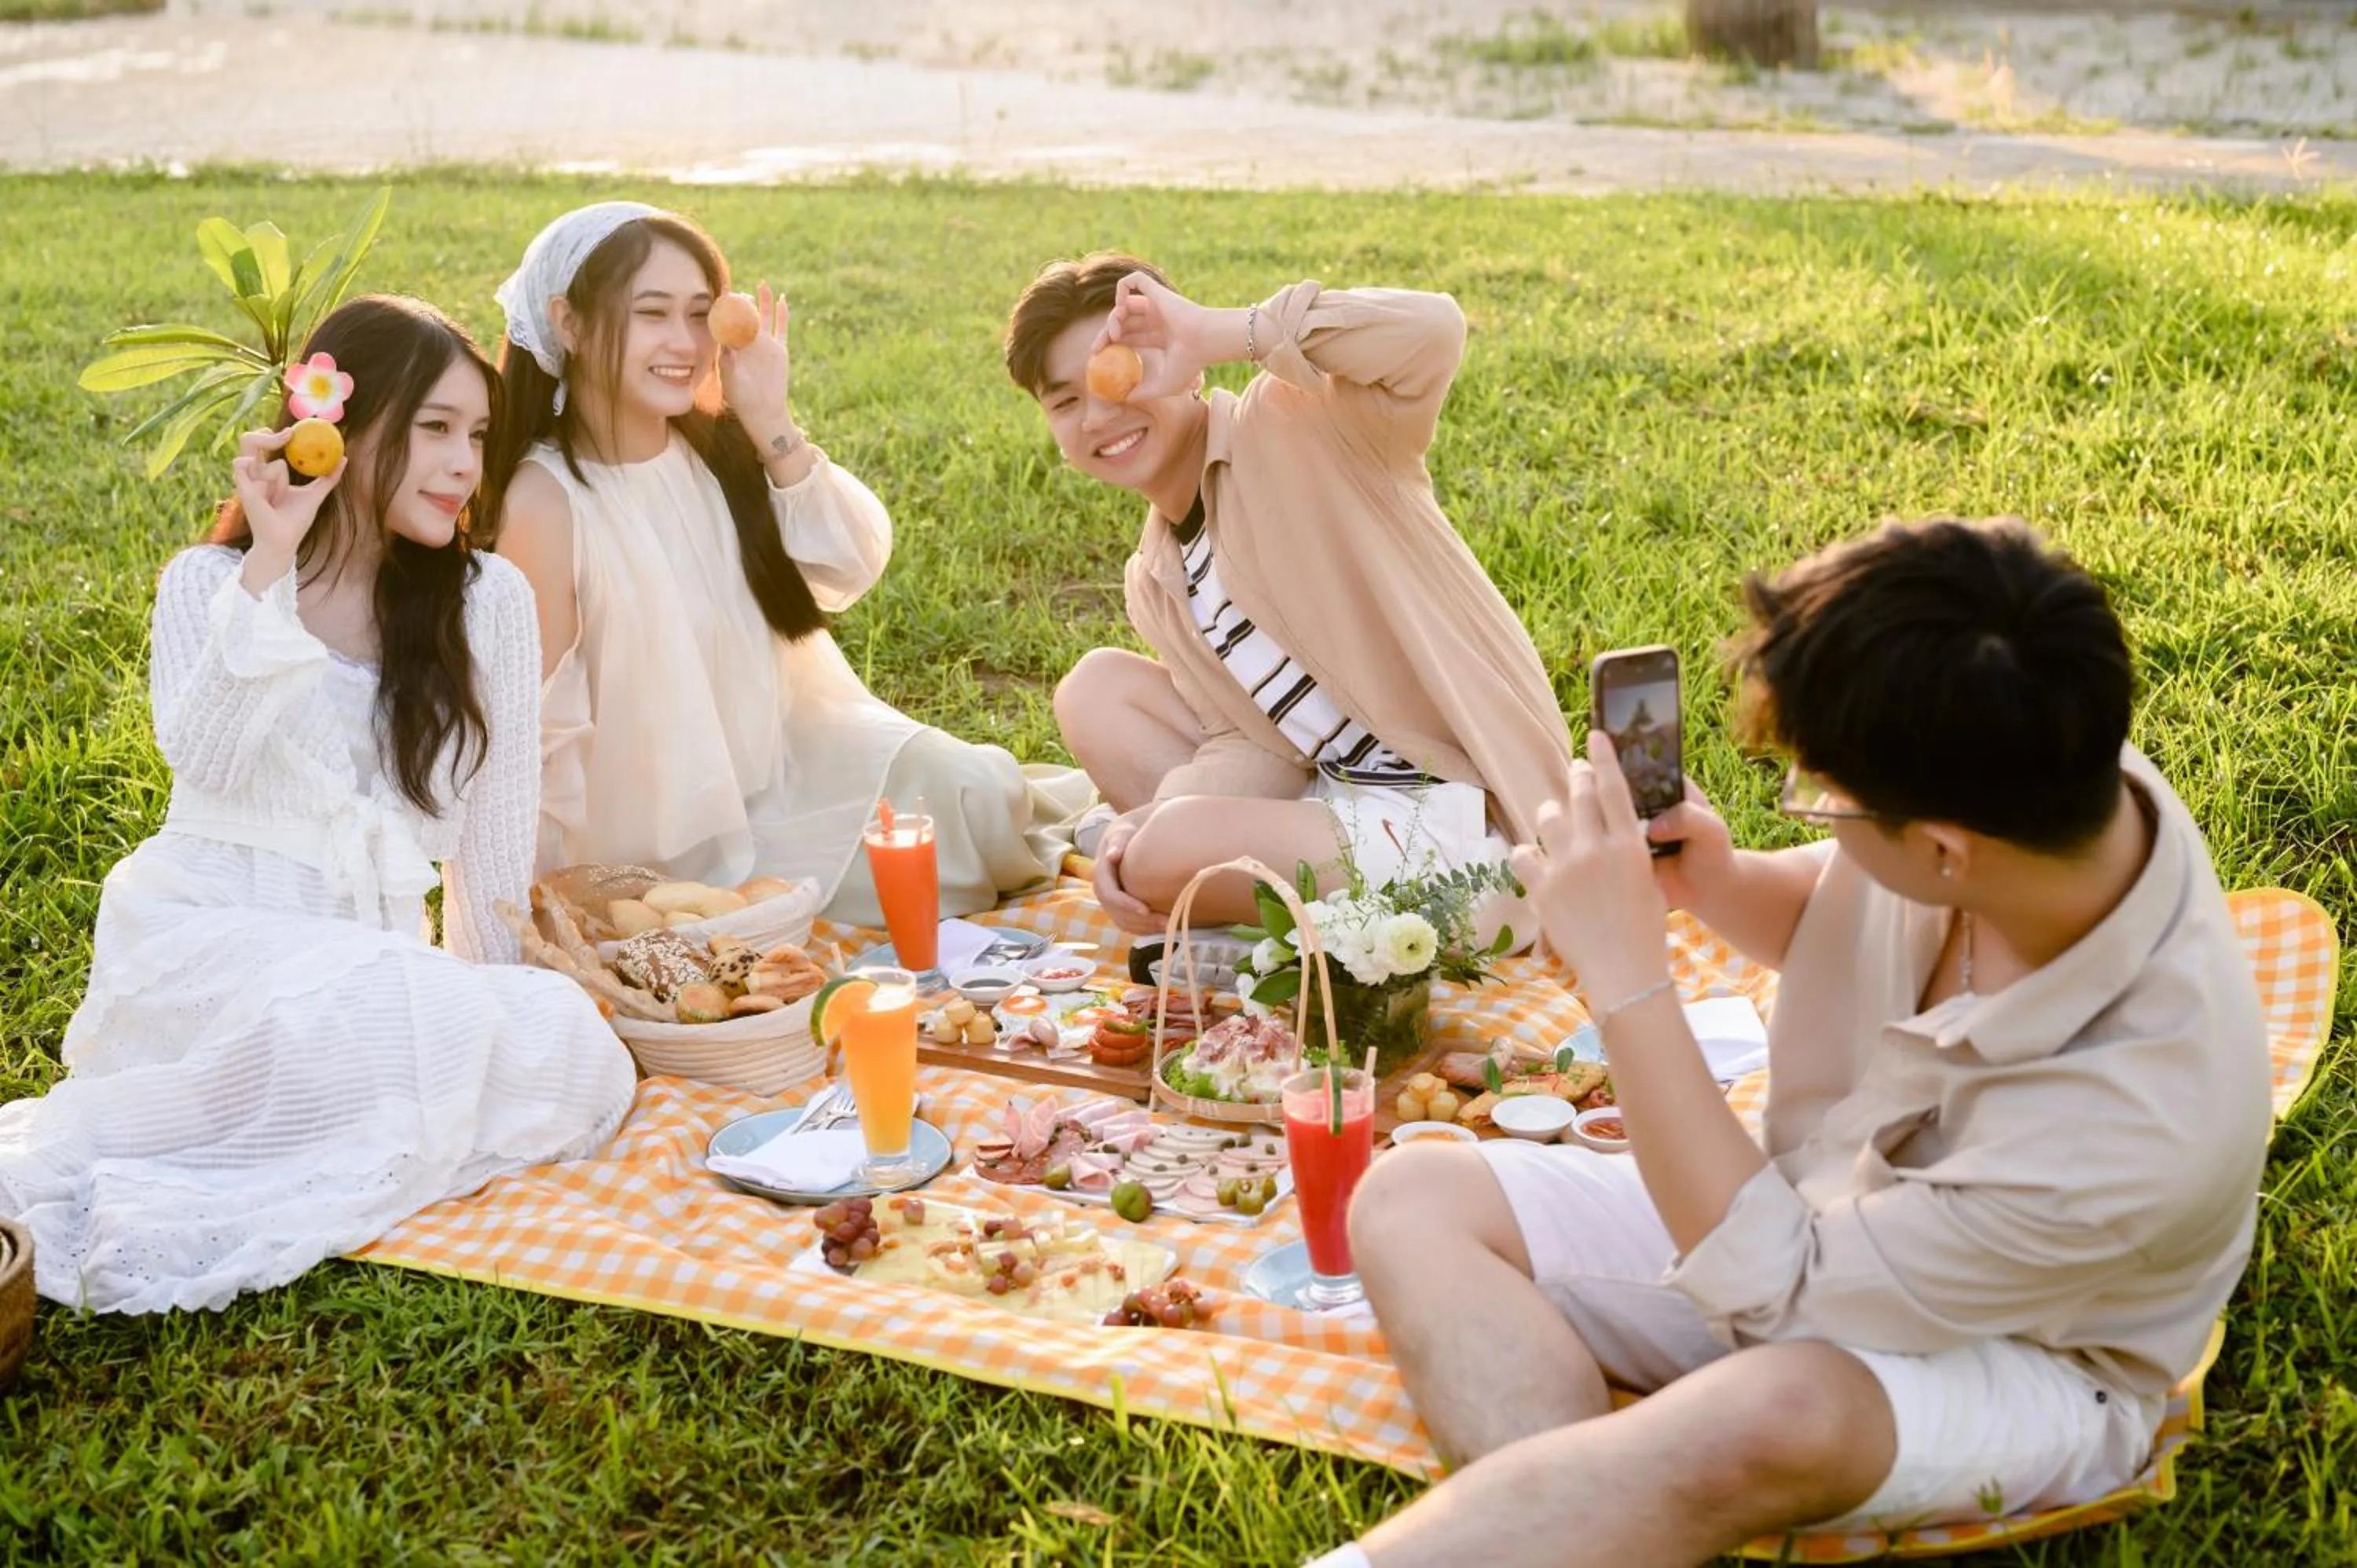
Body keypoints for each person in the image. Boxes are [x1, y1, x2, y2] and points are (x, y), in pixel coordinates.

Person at [1324, 518, 2271, 1567]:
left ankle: (1574, 1510)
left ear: (1947, 848)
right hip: (1821, 1204)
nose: (1816, 816)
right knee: (1414, 1194)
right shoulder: (2030, 759)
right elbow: (1855, 894)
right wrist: (1721, 882)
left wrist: (1627, 980)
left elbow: (1777, 1299)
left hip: (2021, 1354)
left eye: (1826, 799)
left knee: (1776, 1407)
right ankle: (1584, 1512)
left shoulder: (2132, 1126)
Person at [0, 296, 636, 1314]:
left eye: (477, 435)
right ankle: (163, 1158)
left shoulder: (489, 604)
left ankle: (349, 1092)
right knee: (360, 1013)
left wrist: (492, 1008)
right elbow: (202, 755)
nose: (465, 464)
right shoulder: (211, 585)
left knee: (567, 1039)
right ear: (339, 426)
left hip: (369, 979)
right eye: (433, 430)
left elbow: (495, 843)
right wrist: (273, 559)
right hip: (205, 949)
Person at [490, 203, 1083, 927]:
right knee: (940, 878)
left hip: (793, 760)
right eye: (652, 314)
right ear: (569, 323)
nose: (684, 343)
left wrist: (769, 418)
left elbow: (847, 565)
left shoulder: (712, 452)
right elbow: (533, 731)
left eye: (699, 315)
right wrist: (547, 904)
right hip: (670, 841)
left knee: (978, 797)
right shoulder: (546, 502)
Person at [1003, 255, 1570, 935]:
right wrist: (1148, 824)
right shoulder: (1157, 576)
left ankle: (1200, 891)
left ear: (1187, 366)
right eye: (1065, 401)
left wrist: (1226, 331)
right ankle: (1199, 884)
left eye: (1120, 373)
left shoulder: (1298, 424)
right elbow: (1252, 745)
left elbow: (1431, 331)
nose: (1099, 415)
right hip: (1336, 799)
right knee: (1096, 691)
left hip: (1470, 838)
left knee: (1164, 853)